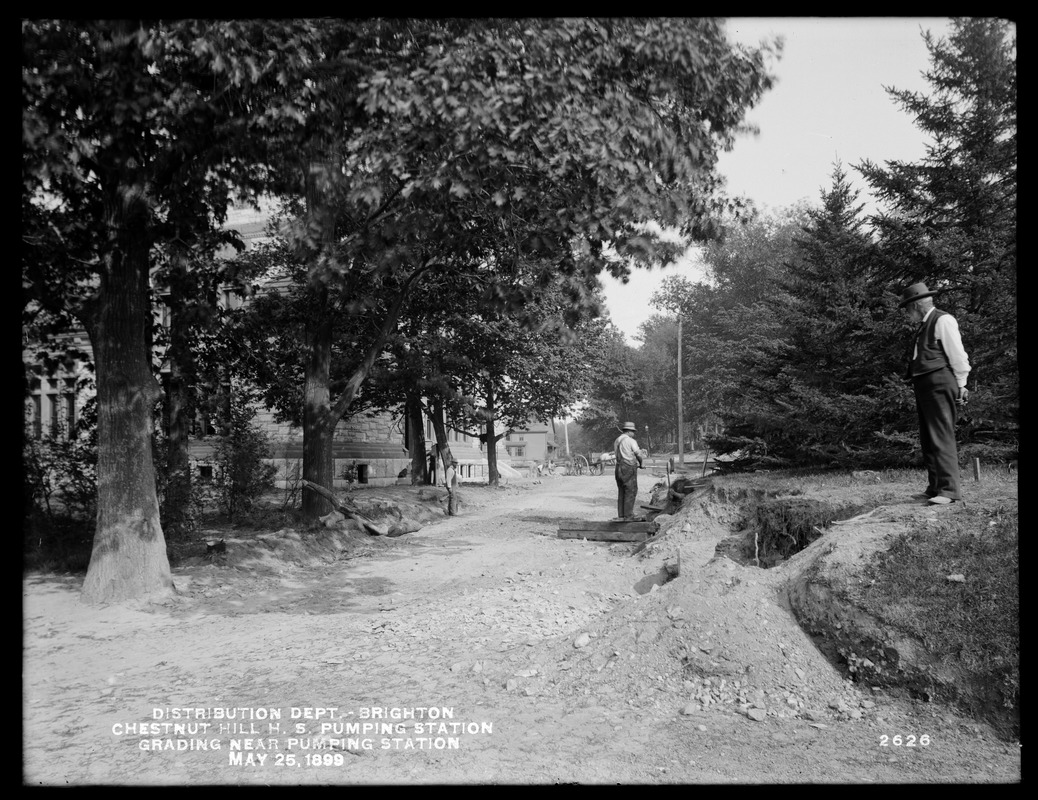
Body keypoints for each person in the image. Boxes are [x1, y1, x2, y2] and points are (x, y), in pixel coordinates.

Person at [899, 282, 971, 505]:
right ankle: (935, 488)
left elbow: (958, 354)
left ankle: (949, 491)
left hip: (940, 382)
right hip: (926, 385)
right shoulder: (924, 324)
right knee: (929, 438)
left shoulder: (942, 320)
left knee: (941, 435)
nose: (906, 313)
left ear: (916, 305)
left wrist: (962, 382)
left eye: (907, 308)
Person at [613, 421, 644, 520]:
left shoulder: (617, 440)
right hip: (628, 467)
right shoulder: (631, 441)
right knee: (631, 490)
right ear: (629, 431)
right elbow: (638, 454)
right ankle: (629, 516)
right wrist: (642, 463)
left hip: (618, 468)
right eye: (633, 431)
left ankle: (621, 515)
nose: (634, 433)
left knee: (622, 491)